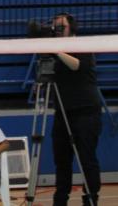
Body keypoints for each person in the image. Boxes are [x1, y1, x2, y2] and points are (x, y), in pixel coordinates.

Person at [51, 13, 102, 206]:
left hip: (86, 112)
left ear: (72, 28)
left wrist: (56, 51)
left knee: (87, 159)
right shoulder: (54, 49)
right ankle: (60, 200)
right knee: (61, 160)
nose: (57, 31)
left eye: (61, 27)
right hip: (62, 112)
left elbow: (77, 65)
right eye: (55, 28)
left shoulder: (82, 45)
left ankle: (90, 199)